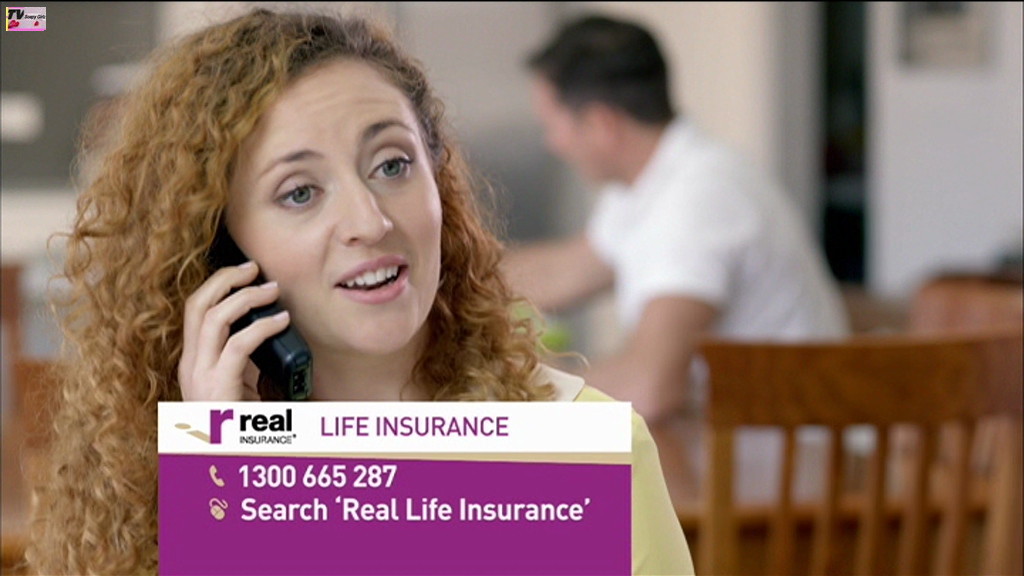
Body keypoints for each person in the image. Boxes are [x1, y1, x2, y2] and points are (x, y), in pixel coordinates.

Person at [25, 9, 693, 575]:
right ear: (217, 252)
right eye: (300, 193)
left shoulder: (590, 451)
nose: (371, 222)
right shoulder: (194, 473)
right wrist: (226, 474)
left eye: (393, 165)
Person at [503, 14, 849, 425]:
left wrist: (517, 392)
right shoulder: (650, 182)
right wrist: (450, 280)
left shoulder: (697, 199)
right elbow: (560, 273)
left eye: (551, 127)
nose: (552, 144)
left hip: (792, 452)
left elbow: (649, 388)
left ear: (600, 124)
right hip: (739, 442)